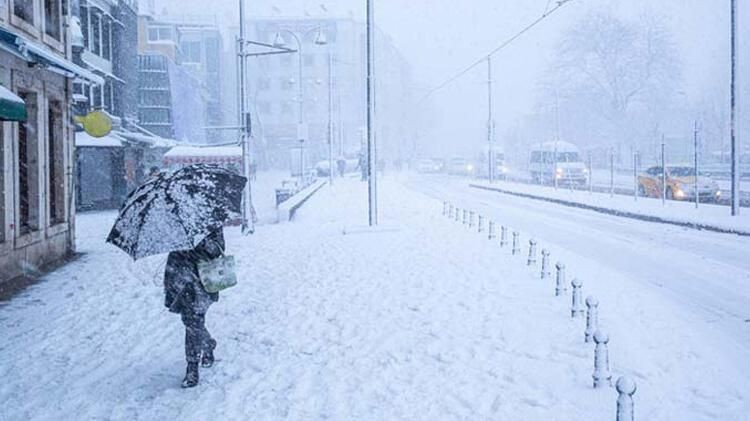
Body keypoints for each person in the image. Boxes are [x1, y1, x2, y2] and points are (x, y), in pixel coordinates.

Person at [164, 228, 225, 388]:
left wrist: (197, 245)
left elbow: (217, 249)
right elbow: (170, 247)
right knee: (190, 321)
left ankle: (192, 367)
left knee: (193, 322)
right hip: (180, 278)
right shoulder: (174, 219)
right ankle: (208, 344)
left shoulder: (208, 220)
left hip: (202, 280)